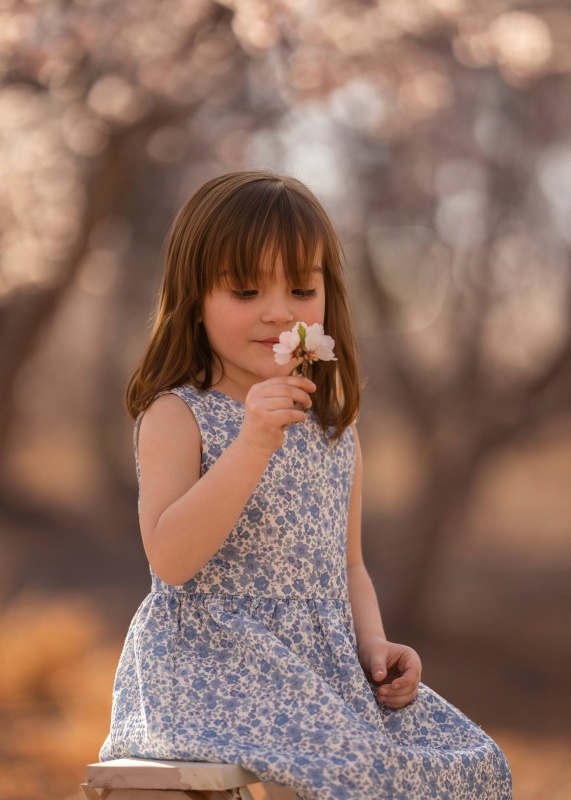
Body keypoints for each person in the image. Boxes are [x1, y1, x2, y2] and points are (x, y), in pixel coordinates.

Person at [99, 169, 512, 799]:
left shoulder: (333, 433)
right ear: (194, 298)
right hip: (213, 672)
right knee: (353, 771)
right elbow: (171, 559)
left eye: (300, 287)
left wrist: (375, 648)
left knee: (473, 762)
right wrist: (251, 444)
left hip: (322, 673)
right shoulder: (178, 414)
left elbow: (348, 567)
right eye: (243, 291)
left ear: (328, 295)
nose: (278, 312)